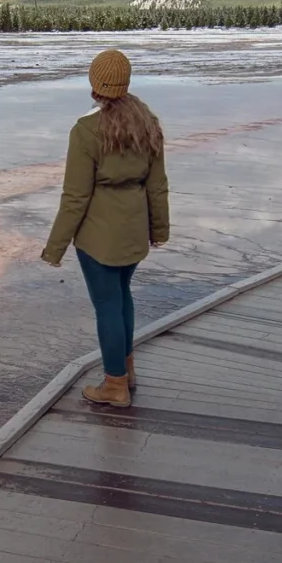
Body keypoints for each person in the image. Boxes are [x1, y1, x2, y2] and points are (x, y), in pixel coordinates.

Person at [41, 47, 170, 408]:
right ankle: (125, 372)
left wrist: (55, 248)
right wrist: (159, 229)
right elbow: (157, 184)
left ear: (94, 84)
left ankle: (114, 386)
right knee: (122, 296)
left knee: (107, 305)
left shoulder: (86, 131)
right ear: (124, 83)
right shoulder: (147, 122)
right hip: (134, 229)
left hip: (98, 236)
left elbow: (75, 197)